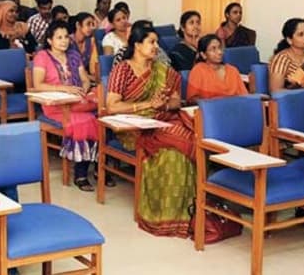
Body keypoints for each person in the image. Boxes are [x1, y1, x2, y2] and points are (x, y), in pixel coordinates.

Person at [106, 22, 195, 238]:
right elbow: (112, 106)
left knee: (192, 142)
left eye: (156, 42)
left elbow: (176, 101)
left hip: (161, 119)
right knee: (171, 153)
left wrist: (164, 104)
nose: (156, 47)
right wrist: (147, 105)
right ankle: (163, 215)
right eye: (151, 42)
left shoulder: (162, 69)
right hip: (132, 126)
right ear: (137, 44)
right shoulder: (123, 69)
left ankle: (190, 211)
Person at [31, 21, 99, 191]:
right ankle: (80, 173)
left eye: (66, 37)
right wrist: (64, 89)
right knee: (85, 120)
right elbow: (37, 84)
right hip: (56, 105)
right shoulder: (42, 57)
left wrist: (81, 91)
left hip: (77, 101)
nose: (64, 41)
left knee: (100, 117)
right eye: (59, 37)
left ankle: (99, 167)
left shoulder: (74, 55)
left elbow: (84, 80)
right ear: (49, 40)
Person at [186, 34, 248, 103]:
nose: (219, 52)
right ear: (203, 55)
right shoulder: (198, 70)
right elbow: (192, 99)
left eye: (220, 48)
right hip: (209, 111)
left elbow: (244, 96)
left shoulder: (232, 70)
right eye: (213, 49)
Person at [70, 12, 99, 79]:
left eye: (93, 24)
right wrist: (89, 77)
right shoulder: (68, 41)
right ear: (78, 25)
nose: (91, 28)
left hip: (86, 78)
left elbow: (93, 67)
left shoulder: (91, 42)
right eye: (88, 24)